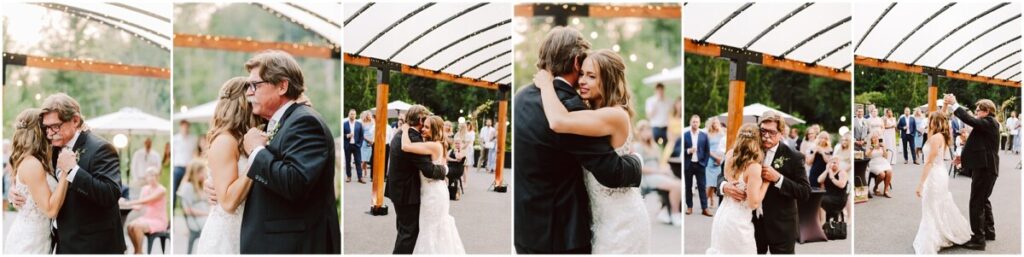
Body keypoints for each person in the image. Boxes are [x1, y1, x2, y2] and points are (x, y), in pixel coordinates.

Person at [514, 26, 643, 254]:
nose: (583, 79)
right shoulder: (569, 106)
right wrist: (638, 163)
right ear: (576, 62)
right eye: (583, 71)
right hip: (562, 236)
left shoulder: (520, 97)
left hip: (525, 229)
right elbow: (612, 171)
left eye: (591, 75)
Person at [206, 50, 341, 253]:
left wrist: (257, 153)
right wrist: (217, 184)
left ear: (282, 86)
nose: (250, 92)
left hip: (293, 245)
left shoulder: (304, 121)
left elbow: (295, 182)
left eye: (255, 85)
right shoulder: (279, 122)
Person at [6, 93, 127, 253]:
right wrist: (17, 192)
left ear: (75, 120)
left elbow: (110, 194)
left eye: (55, 126)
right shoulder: (52, 149)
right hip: (61, 244)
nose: (49, 133)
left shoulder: (100, 149)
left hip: (94, 246)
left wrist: (73, 171)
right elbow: (37, 182)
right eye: (46, 127)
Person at [721, 111, 809, 254]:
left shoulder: (794, 157)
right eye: (763, 131)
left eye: (772, 132)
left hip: (781, 226)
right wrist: (724, 186)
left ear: (781, 133)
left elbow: (805, 192)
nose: (766, 136)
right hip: (750, 224)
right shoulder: (748, 148)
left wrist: (778, 179)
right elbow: (723, 172)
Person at [195, 77, 264, 254]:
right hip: (226, 236)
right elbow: (228, 203)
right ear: (243, 104)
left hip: (247, 230)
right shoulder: (225, 141)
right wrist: (256, 159)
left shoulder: (246, 139)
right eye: (254, 98)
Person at [3, 109, 71, 254]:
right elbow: (50, 210)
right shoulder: (32, 164)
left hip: (39, 237)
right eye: (47, 127)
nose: (51, 131)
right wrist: (66, 172)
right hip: (30, 241)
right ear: (40, 132)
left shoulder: (36, 160)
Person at [398, 116, 466, 253]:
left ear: (435, 129)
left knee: (430, 231)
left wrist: (404, 130)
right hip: (433, 191)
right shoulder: (437, 144)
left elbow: (405, 146)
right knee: (433, 230)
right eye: (424, 126)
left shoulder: (434, 146)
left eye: (427, 127)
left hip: (433, 195)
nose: (423, 128)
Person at [387, 105, 450, 254]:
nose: (424, 128)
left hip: (401, 191)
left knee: (404, 231)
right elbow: (429, 170)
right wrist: (446, 170)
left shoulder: (402, 134)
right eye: (425, 122)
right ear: (420, 120)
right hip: (407, 194)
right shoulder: (412, 138)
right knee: (409, 234)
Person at [913, 109, 973, 254]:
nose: (927, 122)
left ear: (935, 122)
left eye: (930, 120)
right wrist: (944, 106)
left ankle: (934, 237)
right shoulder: (941, 136)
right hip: (940, 173)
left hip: (934, 175)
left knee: (931, 204)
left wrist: (920, 184)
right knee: (938, 203)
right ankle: (943, 230)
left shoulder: (935, 138)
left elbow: (929, 163)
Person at [946, 94, 1000, 250]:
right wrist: (962, 158)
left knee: (976, 202)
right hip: (987, 168)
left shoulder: (989, 122)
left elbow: (970, 120)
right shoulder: (986, 125)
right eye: (976, 110)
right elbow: (976, 145)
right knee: (983, 200)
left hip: (985, 169)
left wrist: (955, 104)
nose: (976, 112)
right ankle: (989, 232)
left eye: (978, 110)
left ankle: (978, 239)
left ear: (987, 111)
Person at [706, 124, 769, 254]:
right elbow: (753, 203)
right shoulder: (754, 167)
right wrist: (766, 184)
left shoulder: (730, 155)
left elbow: (727, 177)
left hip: (722, 217)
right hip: (738, 222)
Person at [635, 120, 682, 226]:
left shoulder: (655, 146)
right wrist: (659, 171)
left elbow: (660, 163)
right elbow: (639, 168)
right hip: (647, 176)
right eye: (643, 130)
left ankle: (665, 210)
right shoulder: (638, 147)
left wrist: (666, 169)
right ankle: (675, 214)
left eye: (648, 129)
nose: (646, 132)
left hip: (658, 174)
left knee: (678, 181)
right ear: (639, 132)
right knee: (676, 186)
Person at [124, 167, 168, 254]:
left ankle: (139, 252)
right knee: (130, 227)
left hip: (158, 220)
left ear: (158, 176)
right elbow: (139, 206)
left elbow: (147, 200)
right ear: (146, 177)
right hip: (147, 217)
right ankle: (137, 251)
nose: (151, 177)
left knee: (137, 227)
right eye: (149, 175)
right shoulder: (145, 189)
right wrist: (125, 203)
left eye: (153, 175)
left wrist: (130, 202)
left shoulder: (161, 190)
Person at [177, 158, 209, 254]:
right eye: (202, 173)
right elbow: (187, 210)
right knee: (215, 226)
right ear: (195, 173)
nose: (204, 175)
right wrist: (206, 213)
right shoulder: (187, 187)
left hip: (203, 217)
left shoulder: (200, 185)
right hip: (195, 220)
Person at [684, 115, 711, 216]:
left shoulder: (704, 135)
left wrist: (704, 163)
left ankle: (705, 208)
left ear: (699, 123)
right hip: (688, 164)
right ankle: (689, 207)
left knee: (702, 187)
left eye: (697, 122)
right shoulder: (685, 135)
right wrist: (688, 150)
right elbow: (681, 150)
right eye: (693, 121)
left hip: (700, 164)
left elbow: (707, 151)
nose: (695, 123)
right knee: (688, 186)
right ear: (690, 122)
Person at [173, 120, 198, 208]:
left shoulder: (193, 139)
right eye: (183, 127)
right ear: (180, 127)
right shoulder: (175, 139)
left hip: (189, 168)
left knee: (189, 189)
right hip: (178, 167)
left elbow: (194, 153)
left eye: (187, 127)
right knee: (174, 189)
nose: (185, 129)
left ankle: (189, 209)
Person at [818, 158, 848, 223]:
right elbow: (819, 180)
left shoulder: (842, 172)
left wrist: (832, 177)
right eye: (831, 163)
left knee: (822, 200)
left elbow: (842, 185)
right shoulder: (828, 172)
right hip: (828, 195)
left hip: (838, 198)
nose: (833, 164)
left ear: (839, 164)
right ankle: (821, 221)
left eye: (835, 163)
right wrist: (826, 170)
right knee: (817, 199)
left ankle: (823, 222)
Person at [705, 118, 725, 209]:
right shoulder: (708, 135)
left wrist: (720, 159)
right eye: (713, 123)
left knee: (714, 182)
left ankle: (711, 199)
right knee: (709, 182)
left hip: (720, 158)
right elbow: (707, 149)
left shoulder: (722, 134)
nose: (715, 124)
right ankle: (704, 201)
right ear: (711, 124)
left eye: (717, 122)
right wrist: (716, 158)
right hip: (710, 159)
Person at [867, 133, 893, 197]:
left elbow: (886, 156)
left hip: (883, 162)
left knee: (889, 171)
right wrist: (872, 148)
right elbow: (867, 156)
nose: (875, 139)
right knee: (882, 174)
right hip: (873, 163)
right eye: (873, 138)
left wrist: (883, 148)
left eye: (876, 137)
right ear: (871, 139)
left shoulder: (881, 145)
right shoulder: (869, 146)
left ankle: (886, 191)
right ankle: (875, 187)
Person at [344, 109, 364, 183]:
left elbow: (362, 136)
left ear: (356, 115)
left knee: (358, 161)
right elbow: (343, 134)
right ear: (349, 114)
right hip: (348, 145)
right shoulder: (344, 124)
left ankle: (360, 177)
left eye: (354, 114)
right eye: (351, 114)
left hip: (356, 146)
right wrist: (347, 135)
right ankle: (349, 176)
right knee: (348, 161)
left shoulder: (359, 124)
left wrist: (360, 145)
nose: (352, 115)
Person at [360, 111, 375, 181]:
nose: (369, 116)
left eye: (370, 115)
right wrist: (368, 140)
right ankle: (360, 172)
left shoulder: (373, 123)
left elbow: (374, 132)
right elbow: (362, 134)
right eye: (368, 115)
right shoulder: (362, 123)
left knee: (366, 159)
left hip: (371, 142)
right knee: (363, 159)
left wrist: (372, 140)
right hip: (364, 141)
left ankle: (365, 171)